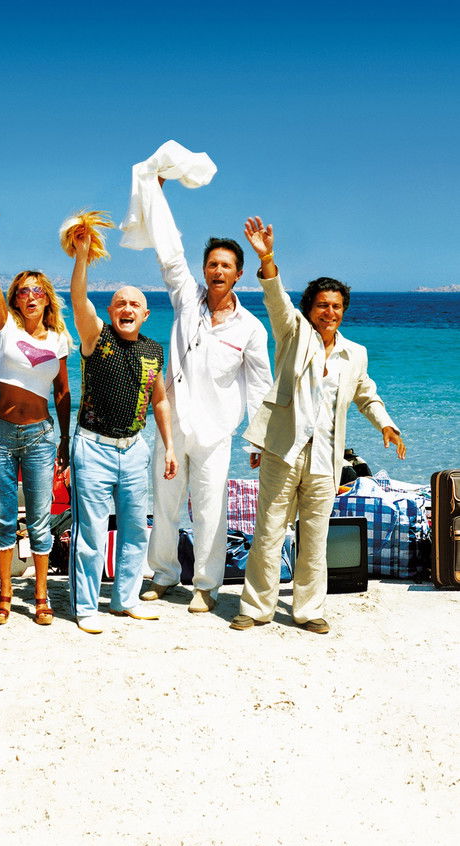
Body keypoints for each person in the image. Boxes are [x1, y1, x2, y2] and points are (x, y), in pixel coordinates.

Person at [230, 217, 407, 634]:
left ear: (344, 310)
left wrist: (386, 425)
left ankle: (308, 610)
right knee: (269, 531)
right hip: (284, 450)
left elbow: (366, 394)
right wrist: (267, 258)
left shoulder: (355, 353)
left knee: (314, 536)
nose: (330, 313)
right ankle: (256, 608)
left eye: (337, 306)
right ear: (309, 309)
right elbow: (276, 298)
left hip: (326, 458)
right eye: (323, 305)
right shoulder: (293, 333)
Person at [140, 176, 272, 613]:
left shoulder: (250, 328)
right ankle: (163, 574)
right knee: (165, 504)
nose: (218, 271)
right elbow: (169, 250)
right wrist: (156, 193)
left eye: (226, 266)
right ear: (204, 269)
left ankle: (206, 585)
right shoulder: (186, 300)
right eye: (212, 264)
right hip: (172, 425)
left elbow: (261, 386)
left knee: (212, 510)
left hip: (216, 433)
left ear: (239, 274)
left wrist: (258, 441)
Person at [0, 209, 71, 626]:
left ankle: (41, 596)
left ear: (46, 298)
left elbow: (63, 393)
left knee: (41, 520)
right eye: (23, 291)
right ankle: (5, 594)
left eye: (37, 290)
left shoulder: (60, 339)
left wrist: (65, 440)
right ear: (16, 299)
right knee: (5, 518)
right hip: (1, 435)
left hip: (42, 437)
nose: (30, 296)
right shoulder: (5, 327)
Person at [68, 230, 177, 634]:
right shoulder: (96, 337)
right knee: (91, 533)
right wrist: (82, 256)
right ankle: (85, 607)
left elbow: (160, 401)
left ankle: (125, 600)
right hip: (93, 447)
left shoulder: (154, 350)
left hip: (134, 449)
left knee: (135, 531)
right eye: (120, 303)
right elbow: (79, 300)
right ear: (110, 311)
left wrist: (168, 447)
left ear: (145, 315)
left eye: (135, 304)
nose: (127, 308)